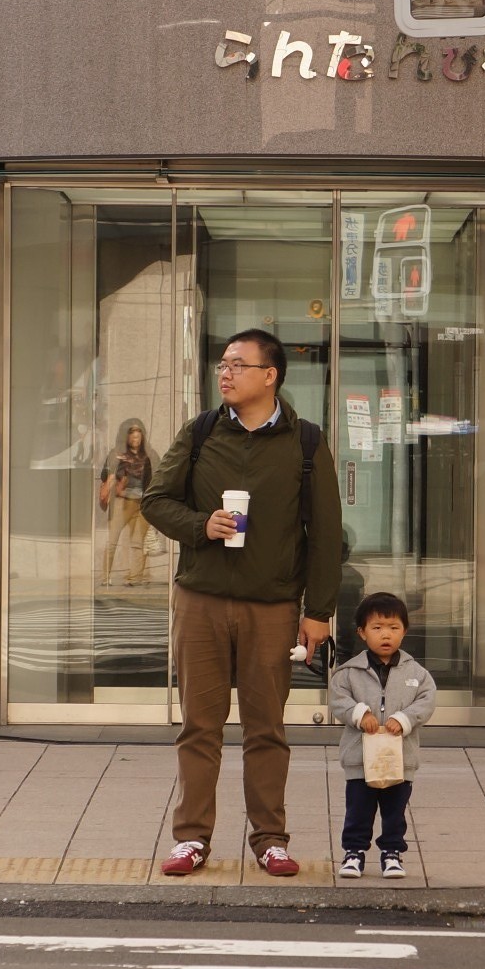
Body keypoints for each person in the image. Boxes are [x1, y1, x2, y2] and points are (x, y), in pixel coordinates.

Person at [142, 329, 341, 878]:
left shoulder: (305, 443)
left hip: (272, 607)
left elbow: (326, 534)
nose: (224, 373)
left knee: (266, 729)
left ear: (270, 375)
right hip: (200, 601)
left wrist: (318, 611)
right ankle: (192, 839)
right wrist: (201, 525)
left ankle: (270, 839)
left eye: (237, 364)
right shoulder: (202, 432)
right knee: (199, 727)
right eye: (222, 364)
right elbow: (156, 502)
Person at [329, 591, 437, 880]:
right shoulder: (348, 673)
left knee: (394, 811)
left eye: (393, 628)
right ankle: (354, 853)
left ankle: (392, 853)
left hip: (400, 759)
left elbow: (426, 702)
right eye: (377, 628)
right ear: (362, 633)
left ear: (404, 631)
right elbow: (338, 700)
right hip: (360, 758)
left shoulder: (417, 673)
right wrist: (360, 714)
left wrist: (403, 719)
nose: (385, 635)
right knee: (358, 809)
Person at [98, 419, 152, 588]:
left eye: (139, 436)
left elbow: (151, 480)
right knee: (113, 539)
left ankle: (135, 577)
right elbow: (105, 475)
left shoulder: (146, 456)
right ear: (126, 438)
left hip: (141, 502)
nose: (136, 439)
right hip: (122, 501)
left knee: (138, 541)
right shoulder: (116, 454)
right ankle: (105, 576)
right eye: (133, 436)